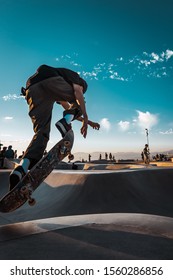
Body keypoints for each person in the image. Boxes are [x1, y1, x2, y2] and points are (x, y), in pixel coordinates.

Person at [9, 64, 100, 190]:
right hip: (50, 80)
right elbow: (78, 93)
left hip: (32, 89)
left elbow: (67, 108)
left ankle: (21, 168)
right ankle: (65, 124)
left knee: (42, 132)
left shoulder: (59, 87)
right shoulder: (77, 80)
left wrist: (87, 122)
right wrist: (84, 115)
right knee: (80, 101)